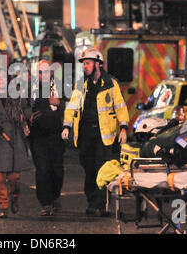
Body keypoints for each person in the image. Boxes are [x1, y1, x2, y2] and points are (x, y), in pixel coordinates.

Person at [62, 48, 129, 216]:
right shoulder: (81, 84)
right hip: (85, 135)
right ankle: (93, 200)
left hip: (103, 136)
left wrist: (124, 128)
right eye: (84, 63)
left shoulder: (111, 83)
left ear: (98, 64)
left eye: (88, 63)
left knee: (102, 169)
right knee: (89, 169)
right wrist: (66, 126)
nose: (85, 66)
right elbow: (72, 107)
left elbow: (120, 106)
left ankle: (100, 204)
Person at [0, 68, 33, 219]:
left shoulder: (18, 95)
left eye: (4, 78)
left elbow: (27, 110)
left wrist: (28, 116)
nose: (1, 81)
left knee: (14, 178)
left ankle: (15, 196)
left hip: (15, 138)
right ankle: (3, 206)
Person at [30, 60, 65, 216]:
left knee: (57, 171)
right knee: (43, 169)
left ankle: (55, 196)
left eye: (45, 71)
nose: (42, 75)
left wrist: (60, 103)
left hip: (57, 136)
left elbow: (73, 105)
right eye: (39, 72)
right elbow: (25, 107)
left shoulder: (61, 86)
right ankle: (46, 203)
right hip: (38, 137)